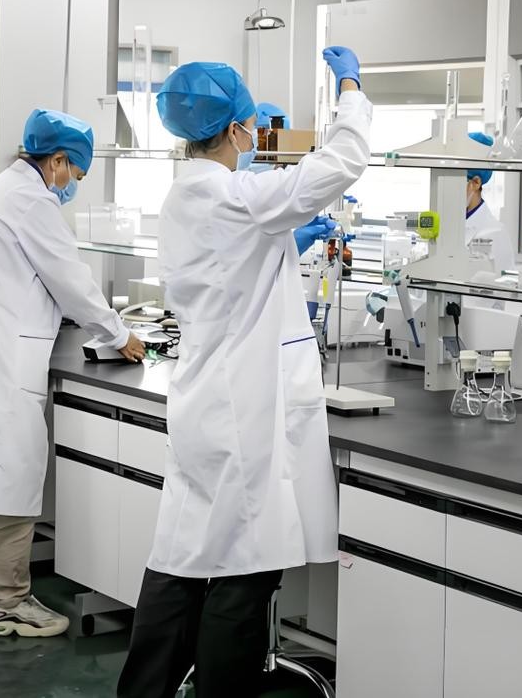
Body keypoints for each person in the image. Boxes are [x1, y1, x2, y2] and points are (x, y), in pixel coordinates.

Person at [115, 48, 371, 698]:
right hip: (241, 411)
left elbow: (235, 264)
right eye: (253, 125)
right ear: (233, 130)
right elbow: (341, 162)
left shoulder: (187, 194)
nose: (256, 136)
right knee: (246, 569)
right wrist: (350, 88)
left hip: (205, 398)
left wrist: (283, 240)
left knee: (183, 557)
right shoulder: (235, 196)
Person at [0, 109, 146, 637]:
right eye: (76, 173)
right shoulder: (33, 202)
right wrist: (119, 334)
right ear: (57, 161)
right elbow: (72, 281)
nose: (72, 184)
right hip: (1, 354)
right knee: (11, 475)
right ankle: (8, 603)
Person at [465, 132, 516, 274]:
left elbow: (505, 283)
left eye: (456, 180)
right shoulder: (447, 223)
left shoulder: (497, 233)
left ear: (476, 183)